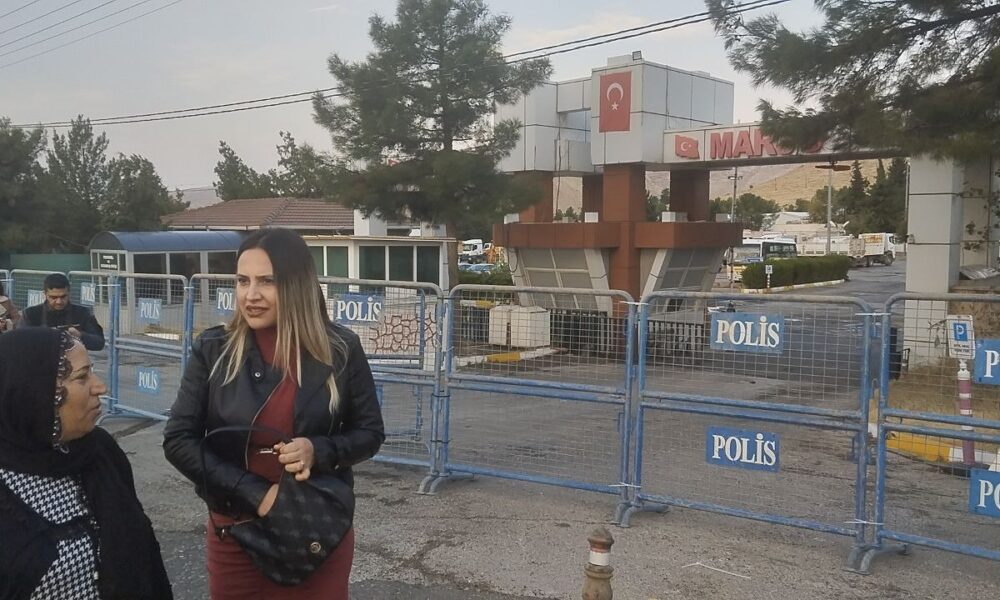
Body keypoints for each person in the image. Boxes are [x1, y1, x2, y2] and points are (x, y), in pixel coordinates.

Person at [163, 228, 385, 600]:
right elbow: (178, 440)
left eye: (267, 281)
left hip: (312, 530)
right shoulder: (213, 348)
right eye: (242, 280)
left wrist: (318, 450)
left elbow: (370, 433)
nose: (251, 295)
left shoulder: (341, 349)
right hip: (235, 530)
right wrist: (256, 493)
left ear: (296, 285)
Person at [0, 328, 173, 600]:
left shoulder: (100, 451)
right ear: (33, 393)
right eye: (82, 377)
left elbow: (145, 559)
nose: (100, 387)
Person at [19, 273, 105, 351]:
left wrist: (80, 335)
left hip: (73, 361)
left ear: (69, 293)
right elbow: (20, 342)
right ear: (44, 294)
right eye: (53, 297)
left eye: (63, 297)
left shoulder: (83, 312)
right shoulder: (30, 314)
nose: (59, 302)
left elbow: (99, 343)